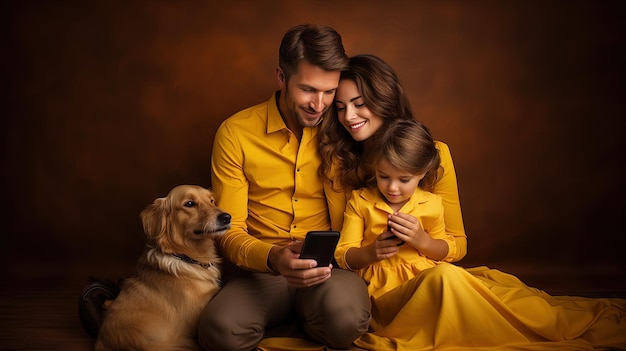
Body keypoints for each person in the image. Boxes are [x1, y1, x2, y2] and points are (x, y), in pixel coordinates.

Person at [336, 117, 626, 350]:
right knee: (447, 278)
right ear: (375, 168)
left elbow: (447, 248)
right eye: (384, 177)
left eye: (404, 179)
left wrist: (422, 240)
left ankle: (544, 323)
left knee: (493, 291)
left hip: (432, 280)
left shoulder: (431, 204)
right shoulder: (361, 201)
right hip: (387, 295)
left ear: (422, 174)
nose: (393, 188)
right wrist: (372, 251)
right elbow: (343, 254)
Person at [197, 24, 371, 351]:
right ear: (281, 77)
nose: (319, 104)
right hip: (262, 271)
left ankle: (298, 320)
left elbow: (398, 146)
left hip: (331, 267)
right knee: (218, 332)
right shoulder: (235, 133)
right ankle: (296, 321)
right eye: (307, 89)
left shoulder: (348, 125)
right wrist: (273, 257)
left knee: (345, 321)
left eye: (329, 91)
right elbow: (228, 231)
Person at [318, 53, 467, 263]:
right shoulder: (337, 161)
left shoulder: (435, 154)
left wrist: (422, 241)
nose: (348, 116)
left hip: (427, 271)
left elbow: (458, 245)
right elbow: (343, 248)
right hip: (368, 277)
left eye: (359, 104)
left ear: (385, 100)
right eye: (340, 108)